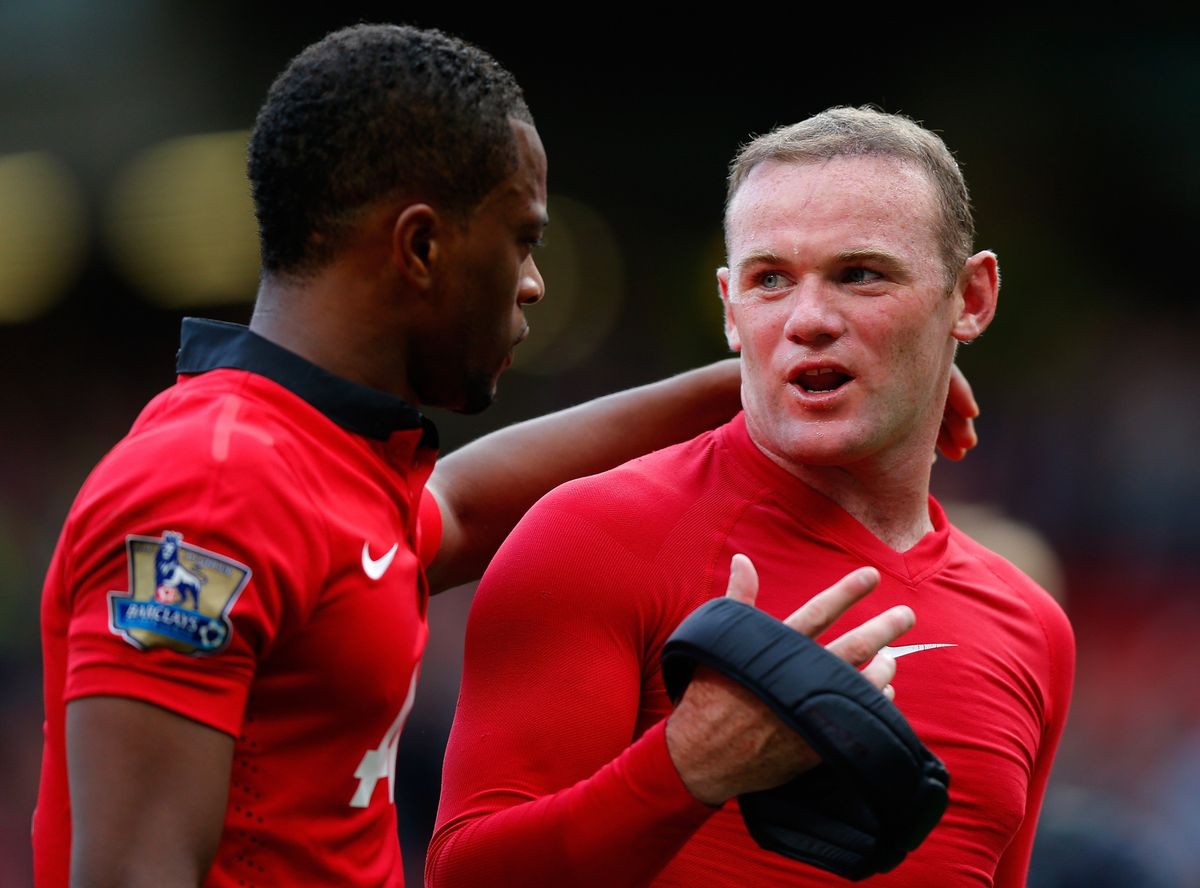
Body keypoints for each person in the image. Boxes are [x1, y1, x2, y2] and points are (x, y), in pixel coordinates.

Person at [31, 25, 977, 885]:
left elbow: (472, 506)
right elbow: (128, 871)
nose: (532, 284)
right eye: (523, 240)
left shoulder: (318, 465)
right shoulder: (209, 486)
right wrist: (693, 764)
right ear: (422, 247)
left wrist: (770, 379)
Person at [428, 107, 1075, 888]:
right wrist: (689, 768)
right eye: (772, 280)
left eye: (860, 274)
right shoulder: (592, 537)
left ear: (970, 298)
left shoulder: (1033, 628)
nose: (808, 320)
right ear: (731, 310)